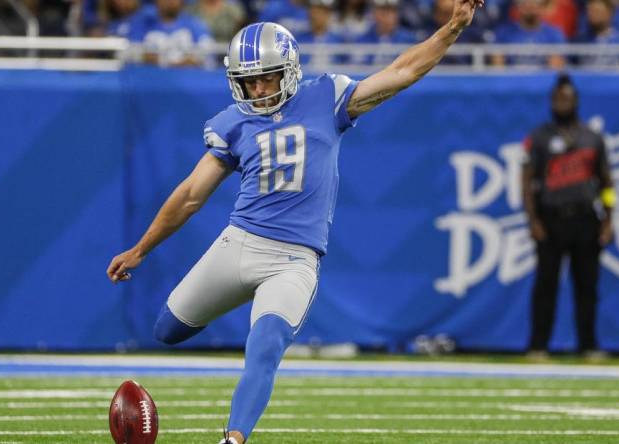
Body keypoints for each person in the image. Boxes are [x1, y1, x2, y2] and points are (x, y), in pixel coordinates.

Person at [107, 1, 484, 442]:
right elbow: (191, 195)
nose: (258, 88)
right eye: (248, 81)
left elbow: (402, 72)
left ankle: (233, 439)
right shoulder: (234, 123)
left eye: (266, 75)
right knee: (167, 330)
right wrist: (140, 249)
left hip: (293, 260)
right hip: (239, 243)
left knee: (264, 347)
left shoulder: (326, 96)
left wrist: (453, 28)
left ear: (288, 70)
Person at [521, 73, 614, 362]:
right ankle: (539, 346)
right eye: (558, 99)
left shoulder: (591, 137)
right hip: (551, 219)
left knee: (587, 287)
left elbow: (606, 182)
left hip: (586, 218)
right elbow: (526, 181)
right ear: (551, 102)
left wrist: (609, 219)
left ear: (576, 101)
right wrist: (533, 220)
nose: (562, 103)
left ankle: (588, 345)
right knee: (545, 286)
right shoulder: (539, 137)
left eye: (567, 98)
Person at [139, 0, 214, 67]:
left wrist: (192, 60)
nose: (169, 1)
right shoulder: (143, 24)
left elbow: (208, 52)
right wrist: (145, 57)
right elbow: (133, 50)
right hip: (151, 77)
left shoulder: (196, 25)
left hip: (187, 77)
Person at [492, 0, 565, 69]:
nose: (530, 5)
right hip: (511, 80)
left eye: (535, 3)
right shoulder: (503, 33)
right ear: (518, 6)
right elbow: (498, 68)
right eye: (525, 2)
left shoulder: (553, 34)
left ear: (542, 6)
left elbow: (555, 70)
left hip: (543, 80)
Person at [354, 0, 418, 66]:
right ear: (374, 14)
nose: (388, 16)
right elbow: (357, 67)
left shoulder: (408, 39)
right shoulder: (362, 39)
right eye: (382, 12)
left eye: (392, 11)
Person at [574, 0, 619, 68]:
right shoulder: (580, 41)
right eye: (590, 11)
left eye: (597, 11)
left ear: (609, 13)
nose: (593, 15)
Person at [295, 0, 345, 70]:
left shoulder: (339, 40)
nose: (315, 16)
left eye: (320, 12)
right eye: (314, 11)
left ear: (328, 14)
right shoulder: (299, 39)